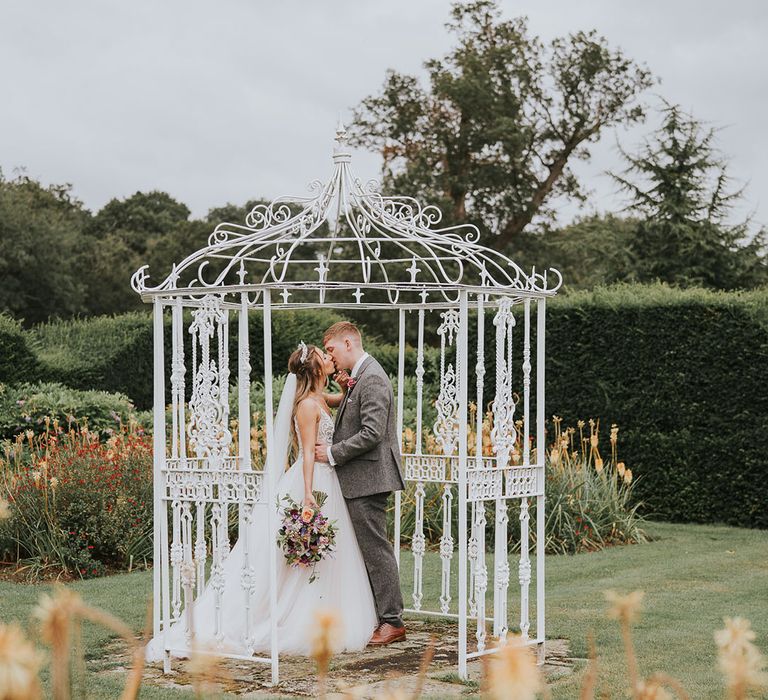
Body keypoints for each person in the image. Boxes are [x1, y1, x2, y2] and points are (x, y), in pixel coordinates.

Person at [145, 342, 377, 660]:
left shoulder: (318, 398)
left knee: (327, 554)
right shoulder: (308, 406)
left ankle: (323, 610)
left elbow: (342, 400)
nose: (330, 358)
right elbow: (308, 453)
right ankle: (291, 615)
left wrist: (346, 384)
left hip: (328, 478)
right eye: (325, 356)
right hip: (314, 479)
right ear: (315, 368)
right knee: (303, 553)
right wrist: (308, 493)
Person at [315, 321, 407, 646]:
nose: (331, 357)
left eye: (331, 350)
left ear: (349, 343)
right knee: (366, 549)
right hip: (361, 478)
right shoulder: (359, 378)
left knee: (375, 549)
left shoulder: (373, 378)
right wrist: (335, 393)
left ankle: (393, 622)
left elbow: (372, 433)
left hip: (368, 477)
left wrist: (330, 452)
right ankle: (378, 614)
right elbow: (352, 412)